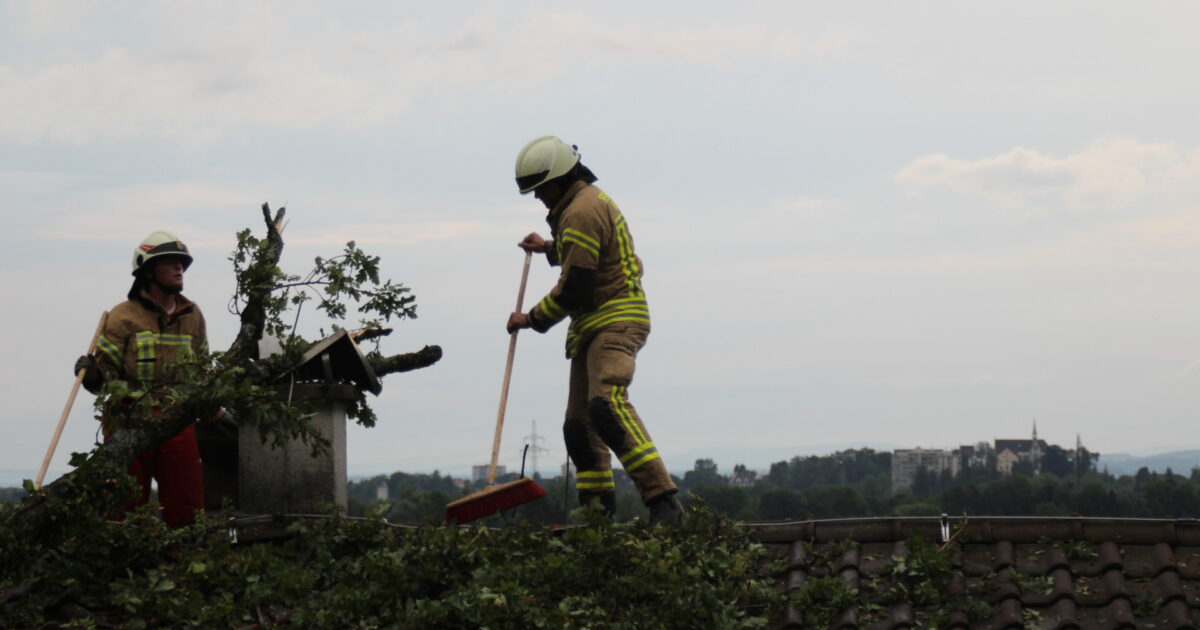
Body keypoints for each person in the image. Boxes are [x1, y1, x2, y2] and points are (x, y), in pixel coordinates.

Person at [507, 136, 683, 526]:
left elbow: (576, 288)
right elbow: (582, 252)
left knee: (607, 405)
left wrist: (530, 319)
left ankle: (664, 503)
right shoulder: (578, 207)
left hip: (616, 320)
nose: (539, 198)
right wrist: (548, 248)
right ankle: (596, 515)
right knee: (579, 428)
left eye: (542, 189)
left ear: (562, 178)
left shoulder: (582, 210)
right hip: (590, 327)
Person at [74, 231, 208, 528]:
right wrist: (92, 373)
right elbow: (105, 378)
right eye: (170, 262)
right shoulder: (122, 317)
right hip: (128, 419)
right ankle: (121, 555)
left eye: (181, 263)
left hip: (177, 419)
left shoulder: (193, 315)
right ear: (148, 271)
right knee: (123, 507)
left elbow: (202, 371)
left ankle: (186, 553)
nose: (179, 268)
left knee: (187, 508)